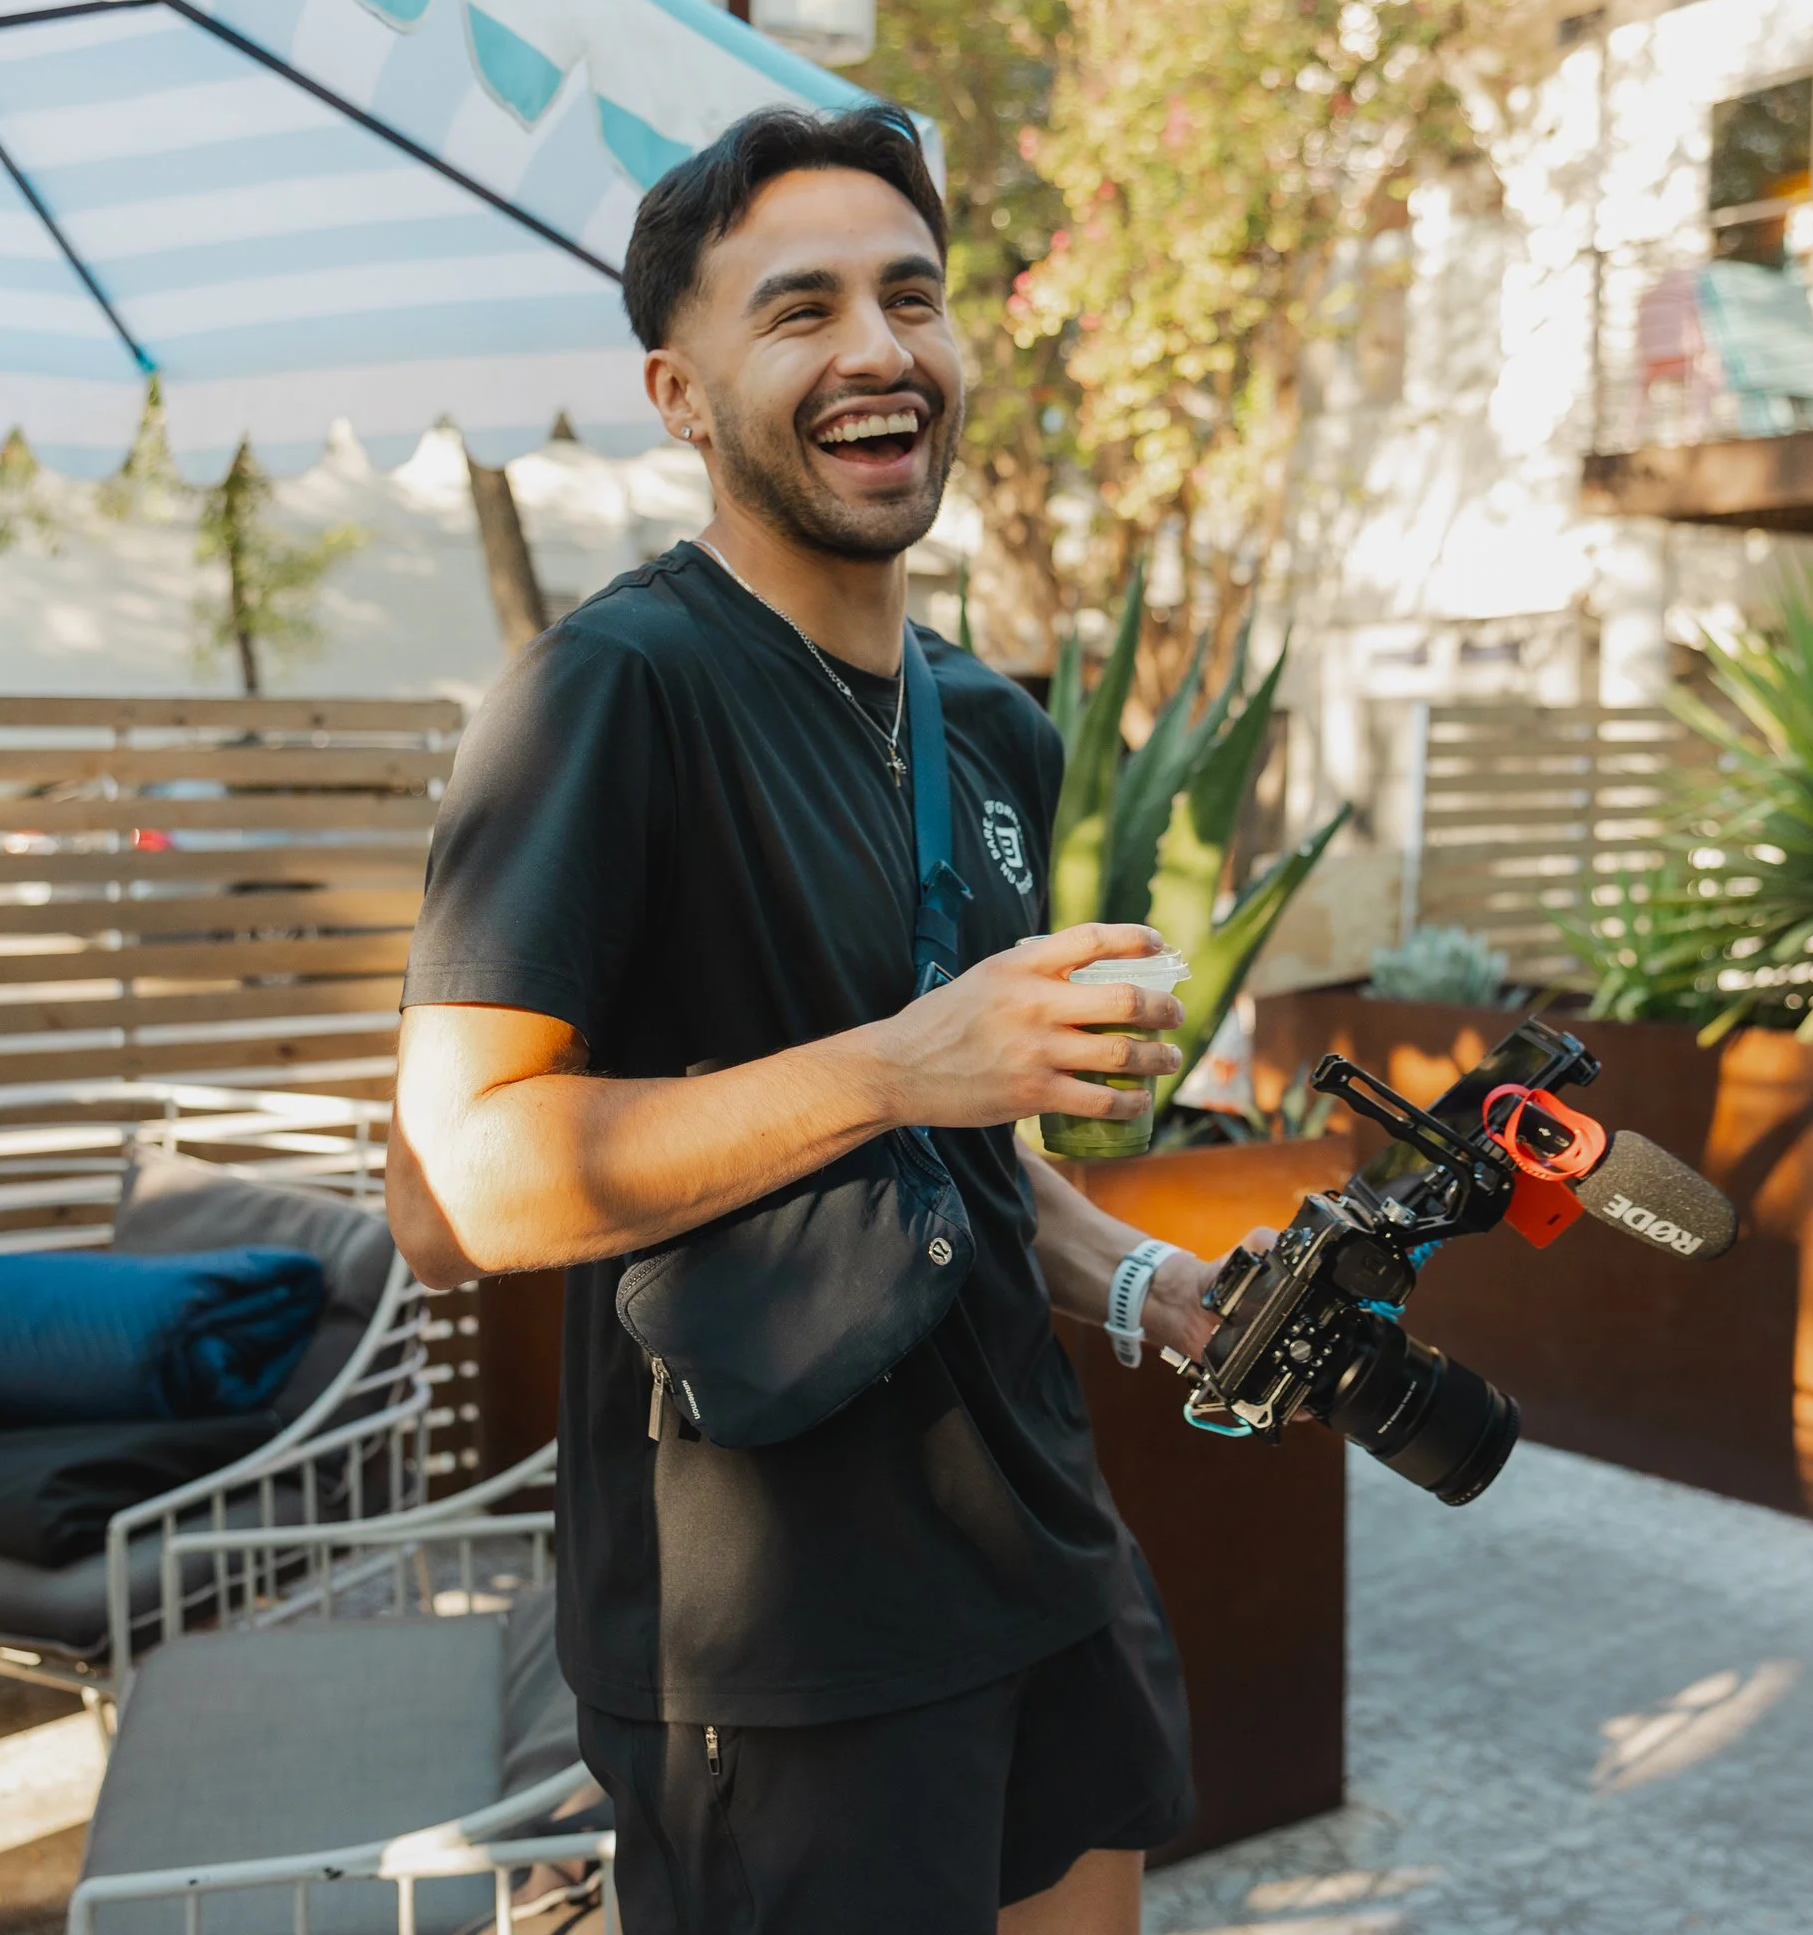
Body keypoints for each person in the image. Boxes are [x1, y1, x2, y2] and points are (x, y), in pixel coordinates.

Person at [387, 103, 1239, 1935]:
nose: (878, 347)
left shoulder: (989, 720)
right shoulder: (609, 693)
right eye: (799, 309)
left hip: (1041, 1553)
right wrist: (898, 1063)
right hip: (785, 1650)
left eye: (911, 296)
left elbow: (970, 1162)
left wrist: (1145, 1284)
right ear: (680, 392)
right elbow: (448, 1197)